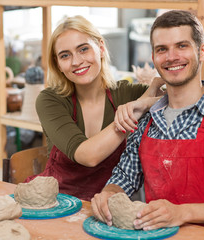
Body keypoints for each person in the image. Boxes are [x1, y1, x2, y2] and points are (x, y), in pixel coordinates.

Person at [91, 10, 204, 233]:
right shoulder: (146, 119)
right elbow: (124, 177)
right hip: (155, 236)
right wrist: (109, 194)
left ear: (202, 51)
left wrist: (182, 212)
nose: (171, 57)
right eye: (162, 49)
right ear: (154, 57)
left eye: (182, 46)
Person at [24, 15, 164, 201]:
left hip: (107, 205)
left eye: (83, 49)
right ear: (58, 63)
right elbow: (88, 156)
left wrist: (151, 92)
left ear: (101, 48)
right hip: (56, 203)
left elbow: (178, 96)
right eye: (65, 55)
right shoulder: (50, 100)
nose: (76, 61)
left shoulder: (125, 94)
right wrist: (135, 111)